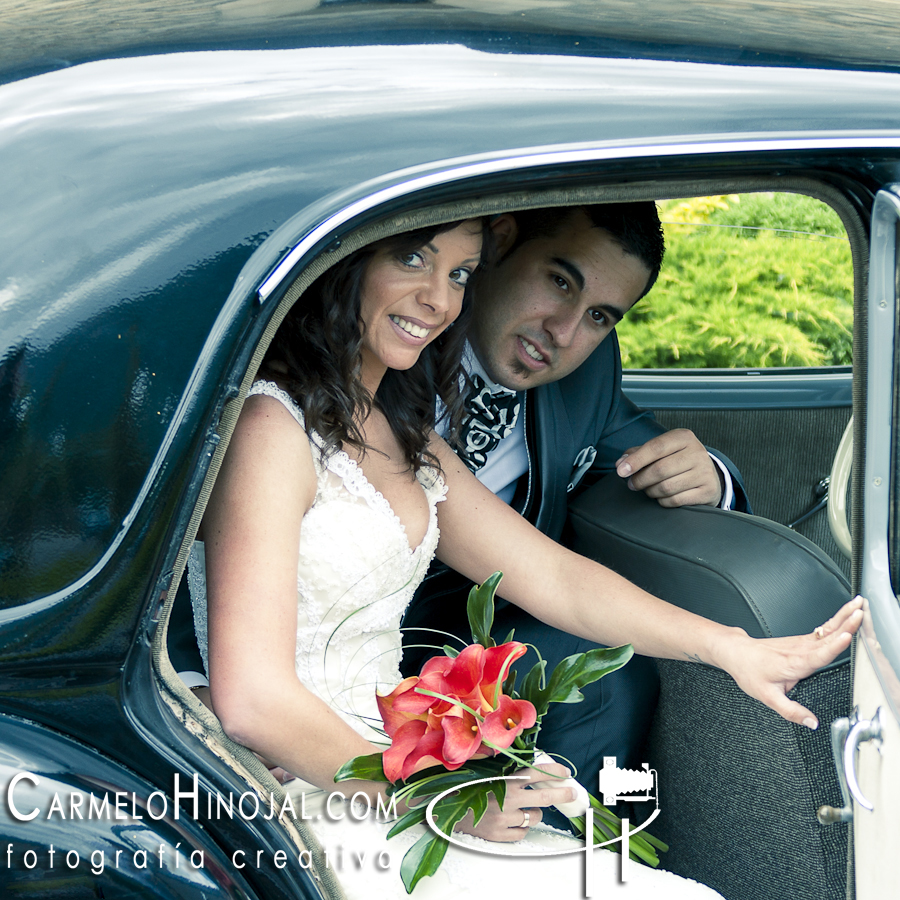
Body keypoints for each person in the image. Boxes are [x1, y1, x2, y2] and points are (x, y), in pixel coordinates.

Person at [183, 217, 860, 899]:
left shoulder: (405, 437)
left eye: (458, 275)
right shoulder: (269, 426)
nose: (439, 300)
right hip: (312, 788)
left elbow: (556, 579)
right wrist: (443, 794)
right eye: (414, 259)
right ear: (345, 262)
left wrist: (731, 648)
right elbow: (253, 703)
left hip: (391, 758)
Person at [400, 202, 749, 795]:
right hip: (312, 644)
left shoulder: (586, 376)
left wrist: (711, 477)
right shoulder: (393, 338)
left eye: (598, 317)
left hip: (459, 646)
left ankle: (581, 846)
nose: (563, 332)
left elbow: (646, 452)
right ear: (501, 242)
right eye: (559, 282)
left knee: (606, 668)